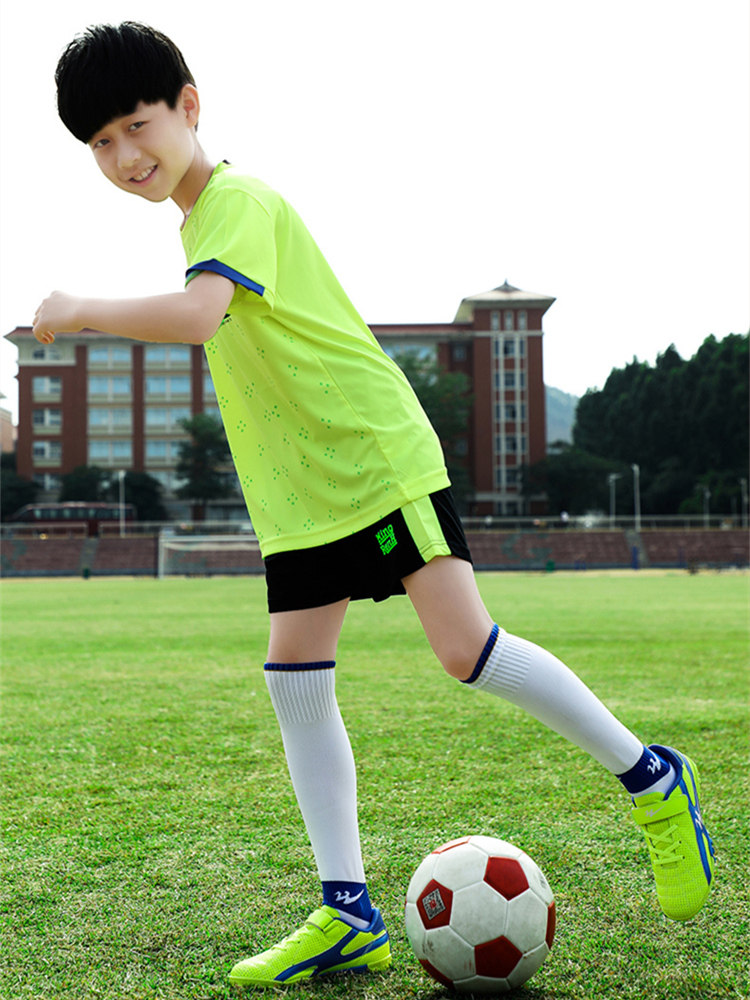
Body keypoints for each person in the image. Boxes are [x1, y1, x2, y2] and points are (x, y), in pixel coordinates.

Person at [35, 22, 714, 990]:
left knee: (465, 649)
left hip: (371, 459)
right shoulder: (199, 223)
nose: (123, 156)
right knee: (294, 676)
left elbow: (197, 317)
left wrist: (77, 309)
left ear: (189, 106)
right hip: (303, 493)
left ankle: (652, 778)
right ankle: (348, 912)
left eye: (135, 126)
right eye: (100, 142)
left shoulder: (237, 201)